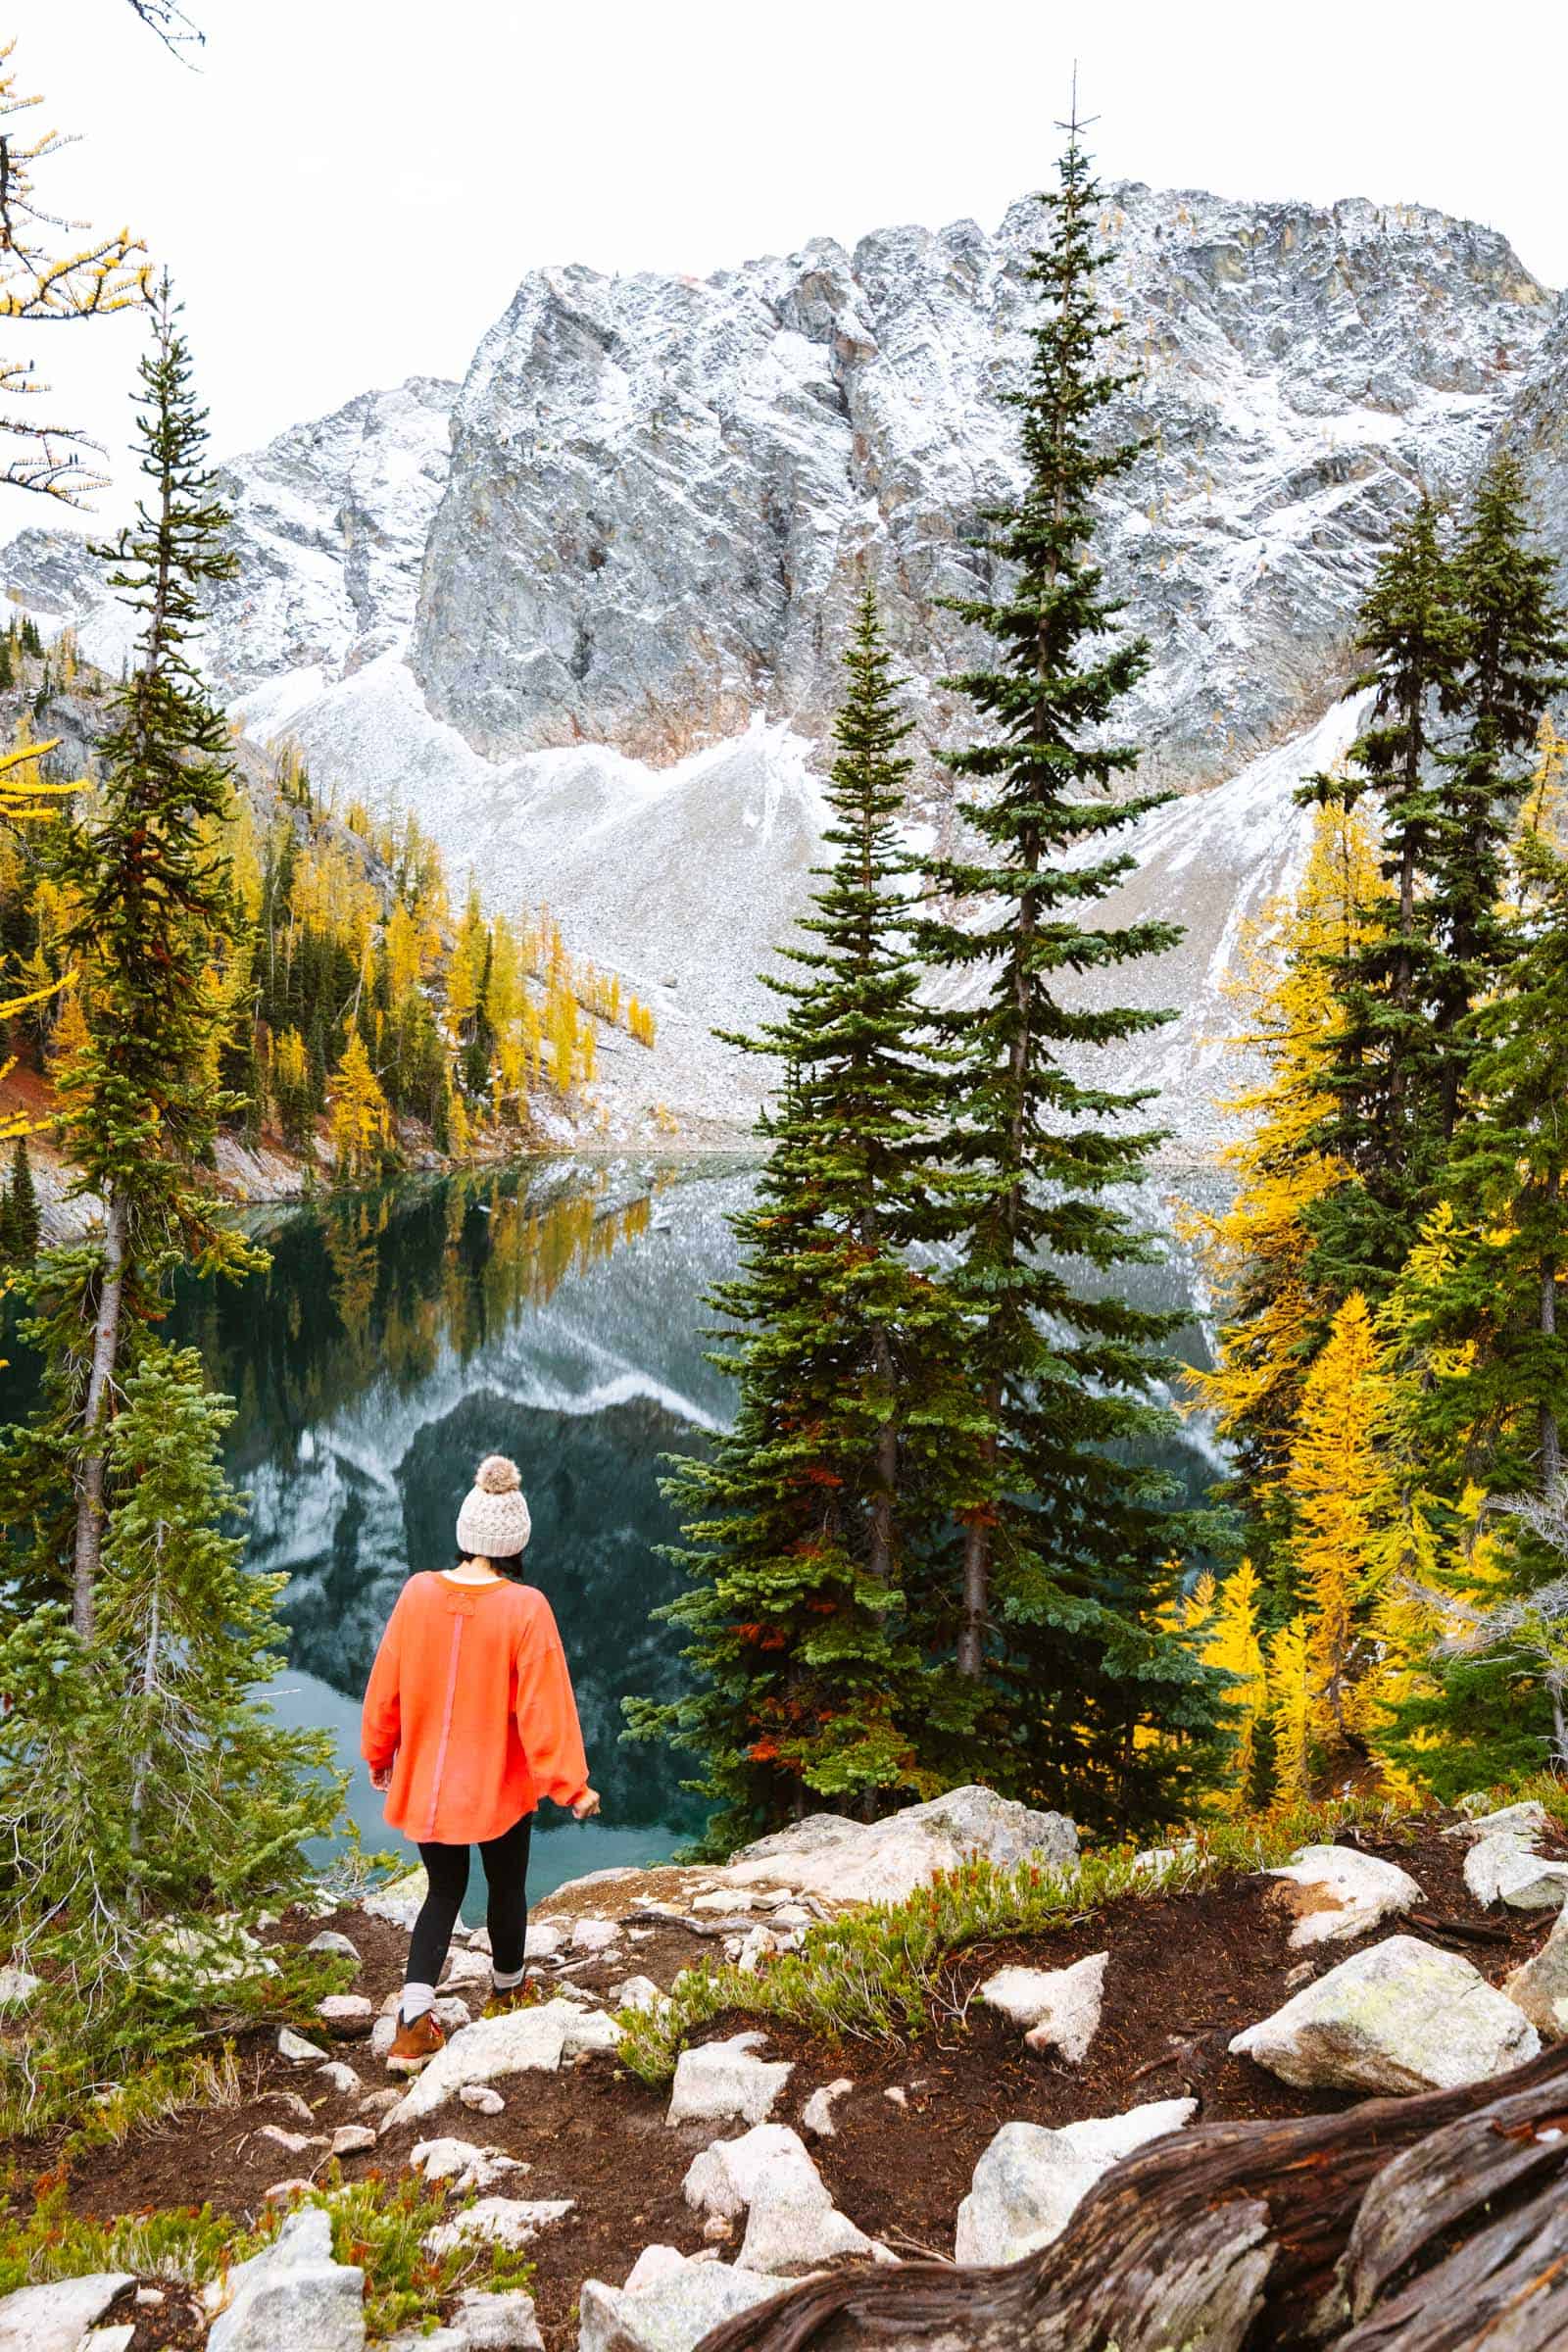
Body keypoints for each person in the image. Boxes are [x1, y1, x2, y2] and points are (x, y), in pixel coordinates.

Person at [361, 1453, 600, 2075]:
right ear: (516, 1542)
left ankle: (412, 2025)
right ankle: (508, 1987)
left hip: (429, 1788)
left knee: (443, 1890)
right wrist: (571, 1786)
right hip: (496, 1787)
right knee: (507, 1885)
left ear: (466, 1533)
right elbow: (545, 1709)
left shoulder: (417, 1593)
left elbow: (385, 1684)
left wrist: (380, 1753)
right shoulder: (525, 1607)